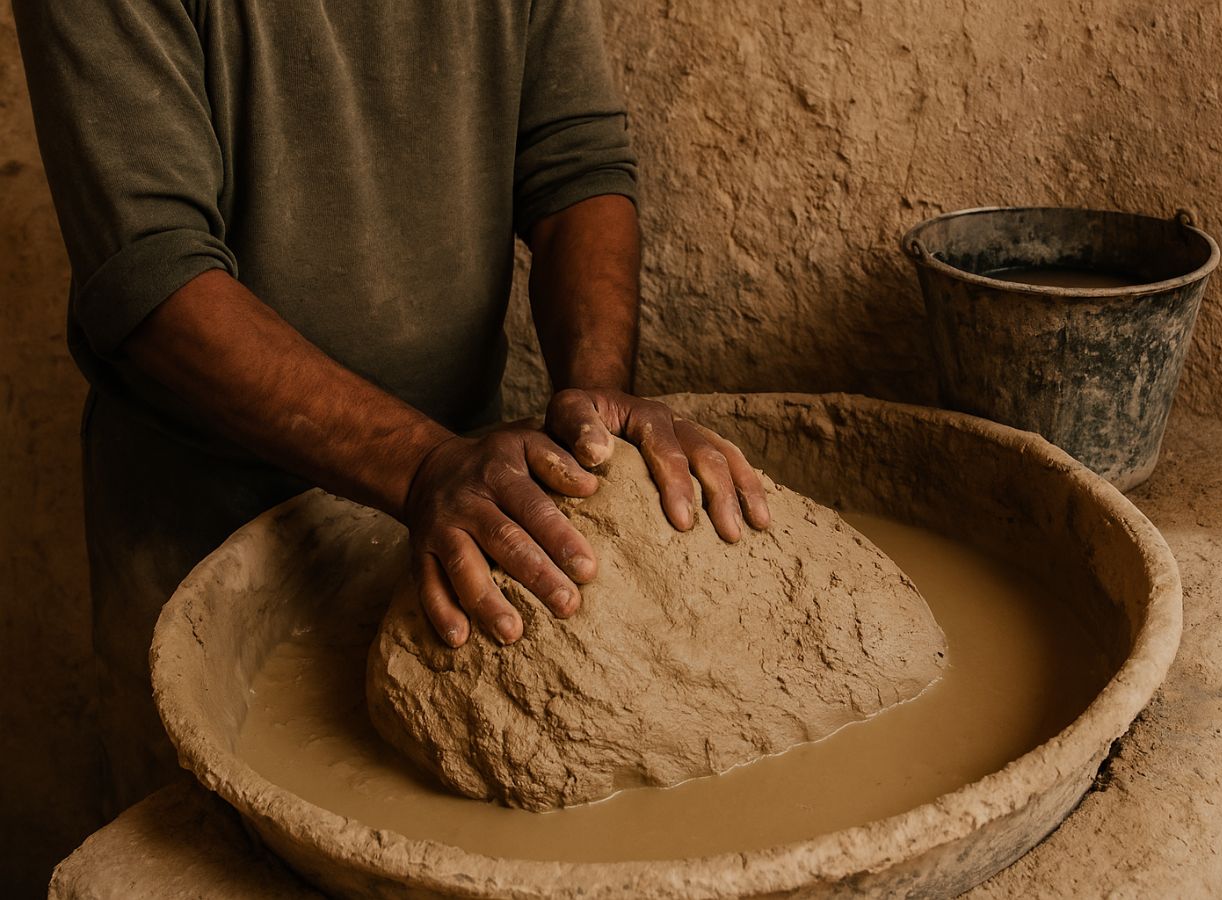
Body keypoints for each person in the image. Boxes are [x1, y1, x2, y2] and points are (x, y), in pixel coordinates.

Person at [15, 0, 770, 820]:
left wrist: (594, 401)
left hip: (472, 489)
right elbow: (151, 279)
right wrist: (421, 466)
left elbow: (574, 162)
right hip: (210, 537)